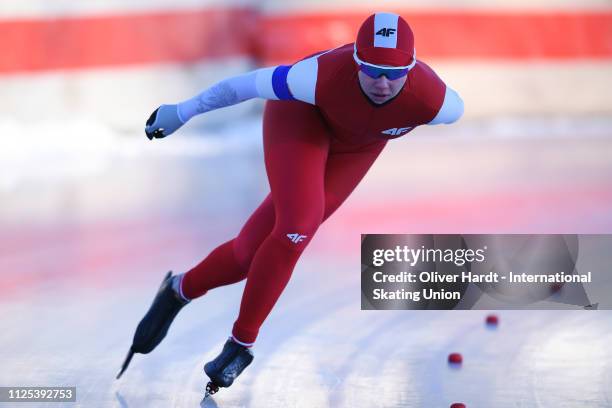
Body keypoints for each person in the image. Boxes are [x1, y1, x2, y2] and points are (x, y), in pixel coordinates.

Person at [117, 11, 464, 395]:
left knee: (250, 255)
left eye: (395, 73)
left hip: (356, 149)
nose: (383, 83)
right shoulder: (314, 77)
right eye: (372, 69)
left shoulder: (440, 103)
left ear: (412, 67)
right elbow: (241, 87)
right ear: (355, 60)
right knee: (297, 226)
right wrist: (182, 112)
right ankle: (241, 344)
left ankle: (179, 289)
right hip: (300, 118)